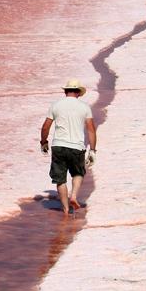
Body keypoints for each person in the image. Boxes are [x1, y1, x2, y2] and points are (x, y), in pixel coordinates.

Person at [40, 80, 97, 219]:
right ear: (78, 92)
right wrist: (93, 150)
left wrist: (43, 142)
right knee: (78, 173)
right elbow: (91, 130)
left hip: (58, 146)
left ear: (66, 91)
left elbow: (46, 127)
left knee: (60, 179)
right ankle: (74, 196)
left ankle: (65, 210)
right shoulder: (84, 107)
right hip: (76, 146)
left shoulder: (56, 105)